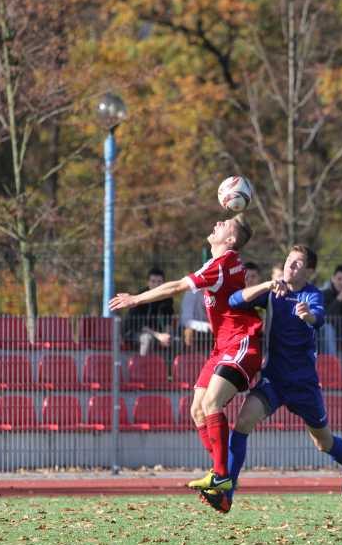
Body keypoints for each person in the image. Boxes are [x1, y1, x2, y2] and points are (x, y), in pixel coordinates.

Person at [109, 214, 263, 510]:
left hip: (243, 342)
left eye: (226, 222)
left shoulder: (225, 263)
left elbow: (176, 287)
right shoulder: (215, 263)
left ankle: (221, 476)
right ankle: (221, 484)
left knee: (211, 405)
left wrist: (136, 299)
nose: (217, 221)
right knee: (196, 410)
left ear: (231, 239)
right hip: (222, 347)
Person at [205, 245, 342, 514]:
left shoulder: (312, 294)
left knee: (322, 442)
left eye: (298, 264)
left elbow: (319, 318)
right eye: (289, 261)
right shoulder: (273, 291)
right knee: (242, 423)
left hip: (303, 384)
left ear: (309, 271)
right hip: (273, 379)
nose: (291, 266)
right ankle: (227, 492)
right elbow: (233, 301)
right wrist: (265, 284)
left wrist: (308, 315)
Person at [123, 267, 174, 356]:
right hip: (133, 332)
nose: (156, 285)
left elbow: (167, 320)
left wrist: (167, 334)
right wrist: (159, 336)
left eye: (159, 282)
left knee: (175, 340)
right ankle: (142, 368)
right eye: (153, 281)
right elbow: (139, 325)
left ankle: (170, 369)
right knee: (147, 338)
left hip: (157, 333)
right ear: (148, 282)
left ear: (163, 283)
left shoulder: (167, 299)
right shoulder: (140, 297)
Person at [179, 287, 211, 351]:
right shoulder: (191, 294)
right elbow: (186, 321)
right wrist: (208, 326)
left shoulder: (211, 295)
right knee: (189, 330)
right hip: (194, 333)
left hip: (207, 334)